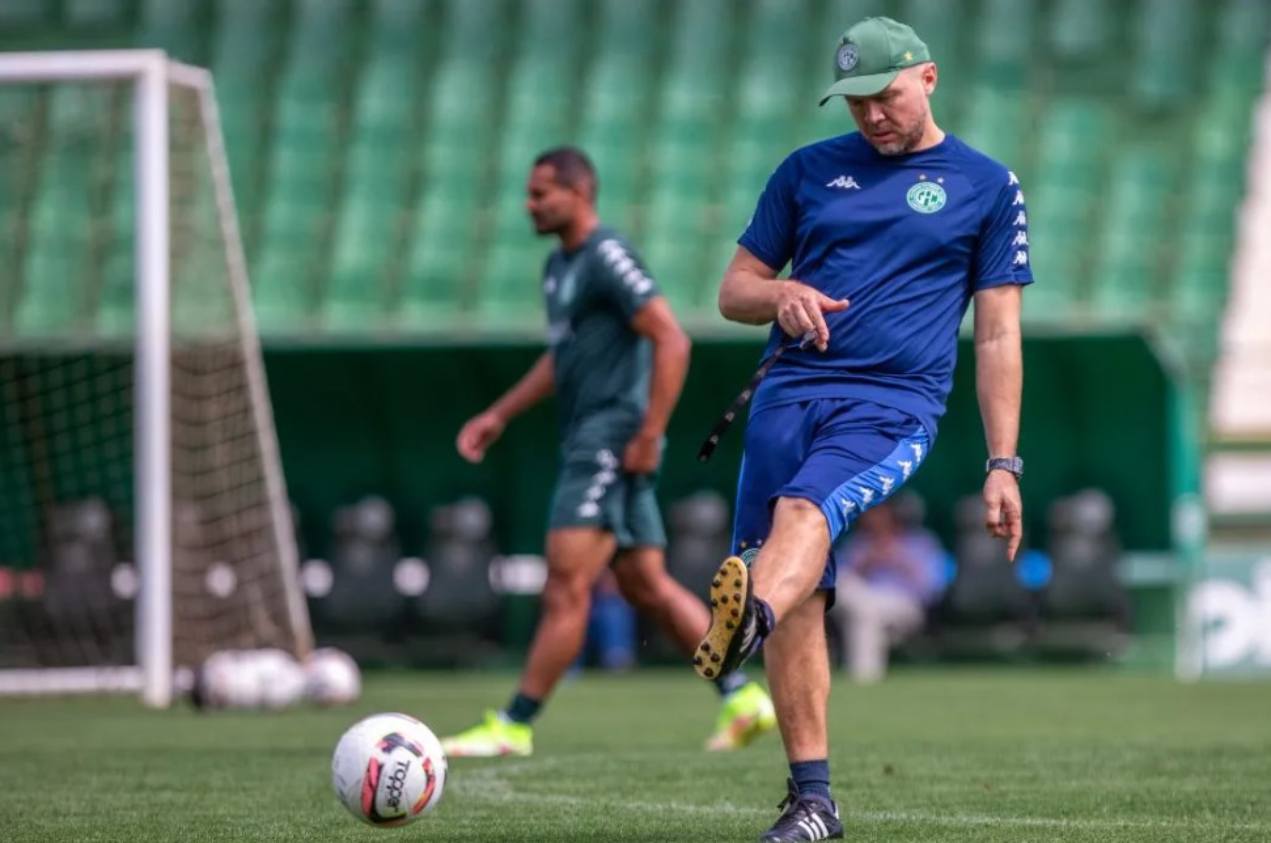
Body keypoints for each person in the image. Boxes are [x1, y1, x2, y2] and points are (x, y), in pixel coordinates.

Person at [692, 17, 1030, 841]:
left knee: (800, 518)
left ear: (928, 78)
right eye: (855, 103)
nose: (872, 115)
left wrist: (1002, 461)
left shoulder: (985, 186)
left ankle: (747, 618)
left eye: (885, 95)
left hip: (889, 406)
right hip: (783, 396)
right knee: (798, 585)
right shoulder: (806, 171)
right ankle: (813, 800)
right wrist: (780, 296)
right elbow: (733, 290)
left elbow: (995, 335)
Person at [443, 147, 775, 757]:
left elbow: (671, 337)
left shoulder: (606, 256)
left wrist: (648, 434)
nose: (530, 204)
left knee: (566, 586)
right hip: (600, 439)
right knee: (646, 585)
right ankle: (742, 695)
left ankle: (513, 725)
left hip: (609, 439)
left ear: (579, 193)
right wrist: (499, 414)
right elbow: (562, 358)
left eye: (541, 193)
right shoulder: (558, 267)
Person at [827, 500, 945, 683]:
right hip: (859, 602)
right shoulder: (859, 544)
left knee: (864, 609)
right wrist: (865, 563)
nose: (873, 520)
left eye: (879, 515)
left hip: (907, 604)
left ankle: (863, 676)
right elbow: (840, 580)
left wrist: (899, 560)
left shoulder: (920, 542)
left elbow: (933, 588)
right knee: (861, 606)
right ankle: (864, 676)